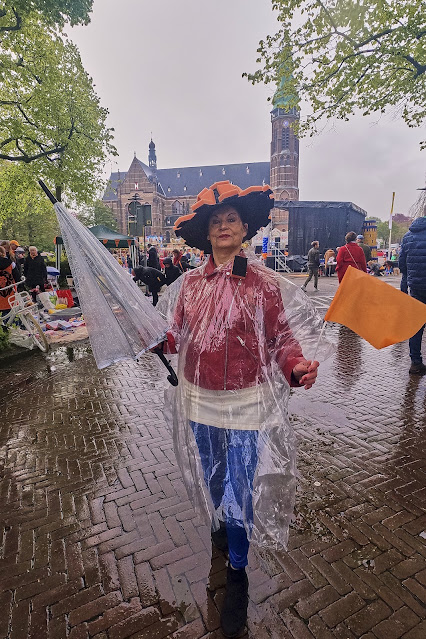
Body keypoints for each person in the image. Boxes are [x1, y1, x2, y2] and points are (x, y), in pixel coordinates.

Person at [157, 181, 331, 638]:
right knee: (214, 476)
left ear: (245, 227)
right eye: (216, 222)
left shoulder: (264, 285)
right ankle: (222, 529)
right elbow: (175, 336)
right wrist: (155, 336)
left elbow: (281, 340)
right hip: (199, 398)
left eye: (230, 219)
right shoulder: (189, 286)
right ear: (207, 234)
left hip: (248, 401)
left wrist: (295, 367)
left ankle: (237, 565)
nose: (223, 227)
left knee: (239, 482)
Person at [399, 215, 426, 375]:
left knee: (416, 325)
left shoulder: (408, 237)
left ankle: (415, 362)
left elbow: (402, 263)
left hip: (415, 286)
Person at [0, 245, 20, 315]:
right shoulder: (11, 263)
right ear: (4, 253)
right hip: (10, 294)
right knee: (12, 314)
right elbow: (17, 277)